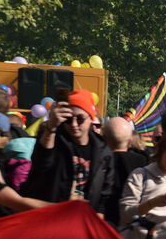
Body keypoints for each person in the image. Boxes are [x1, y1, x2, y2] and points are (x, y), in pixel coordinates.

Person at [24, 89, 116, 222]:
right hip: (52, 219)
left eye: (80, 119)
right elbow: (41, 162)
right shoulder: (55, 138)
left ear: (91, 118)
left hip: (83, 222)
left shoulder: (103, 150)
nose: (74, 124)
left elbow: (105, 195)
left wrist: (96, 222)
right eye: (68, 119)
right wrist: (51, 127)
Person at [103, 117, 149, 222]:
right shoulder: (143, 163)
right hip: (132, 224)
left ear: (104, 139)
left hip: (104, 221)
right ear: (129, 142)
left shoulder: (99, 161)